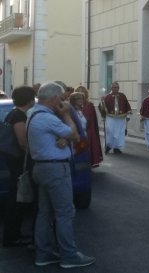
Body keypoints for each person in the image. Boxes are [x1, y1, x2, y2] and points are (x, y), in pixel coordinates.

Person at [29, 82, 95, 268]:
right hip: (56, 169)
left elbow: (65, 136)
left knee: (45, 213)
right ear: (55, 98)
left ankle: (43, 254)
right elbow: (74, 135)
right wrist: (66, 114)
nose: (64, 100)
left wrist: (64, 137)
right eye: (62, 97)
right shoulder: (48, 118)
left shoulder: (34, 113)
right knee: (65, 213)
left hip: (42, 168)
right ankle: (69, 256)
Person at [2, 86, 36, 248]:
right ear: (30, 99)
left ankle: (12, 235)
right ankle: (12, 237)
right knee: (16, 201)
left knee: (15, 199)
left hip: (12, 162)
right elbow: (22, 142)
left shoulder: (12, 113)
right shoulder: (19, 116)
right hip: (18, 163)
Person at [99, 82, 131, 154]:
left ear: (118, 88)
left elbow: (127, 105)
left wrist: (128, 115)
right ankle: (108, 146)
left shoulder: (123, 96)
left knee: (119, 133)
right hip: (110, 118)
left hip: (121, 118)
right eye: (113, 87)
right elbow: (102, 108)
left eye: (116, 87)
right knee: (110, 132)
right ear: (111, 88)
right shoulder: (107, 97)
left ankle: (117, 148)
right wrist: (102, 102)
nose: (115, 89)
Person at [75, 86, 103, 167]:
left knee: (88, 145)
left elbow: (91, 119)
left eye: (82, 93)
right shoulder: (73, 105)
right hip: (78, 129)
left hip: (89, 129)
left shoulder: (89, 105)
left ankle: (90, 161)